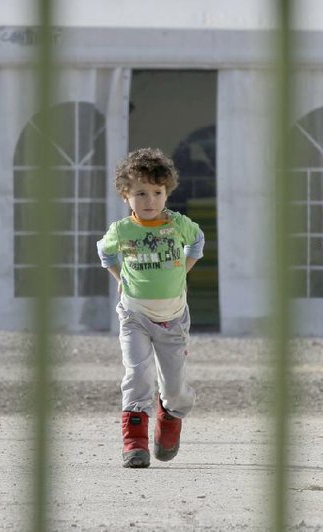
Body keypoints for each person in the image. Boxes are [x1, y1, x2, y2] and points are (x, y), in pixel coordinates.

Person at [97, 147, 205, 468]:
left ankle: (169, 415)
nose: (150, 201)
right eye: (140, 193)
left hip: (172, 319)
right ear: (125, 196)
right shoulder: (122, 230)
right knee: (137, 375)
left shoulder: (177, 225)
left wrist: (182, 270)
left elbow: (197, 240)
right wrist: (120, 277)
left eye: (157, 193)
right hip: (135, 316)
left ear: (166, 192)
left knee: (173, 386)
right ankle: (135, 443)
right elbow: (105, 253)